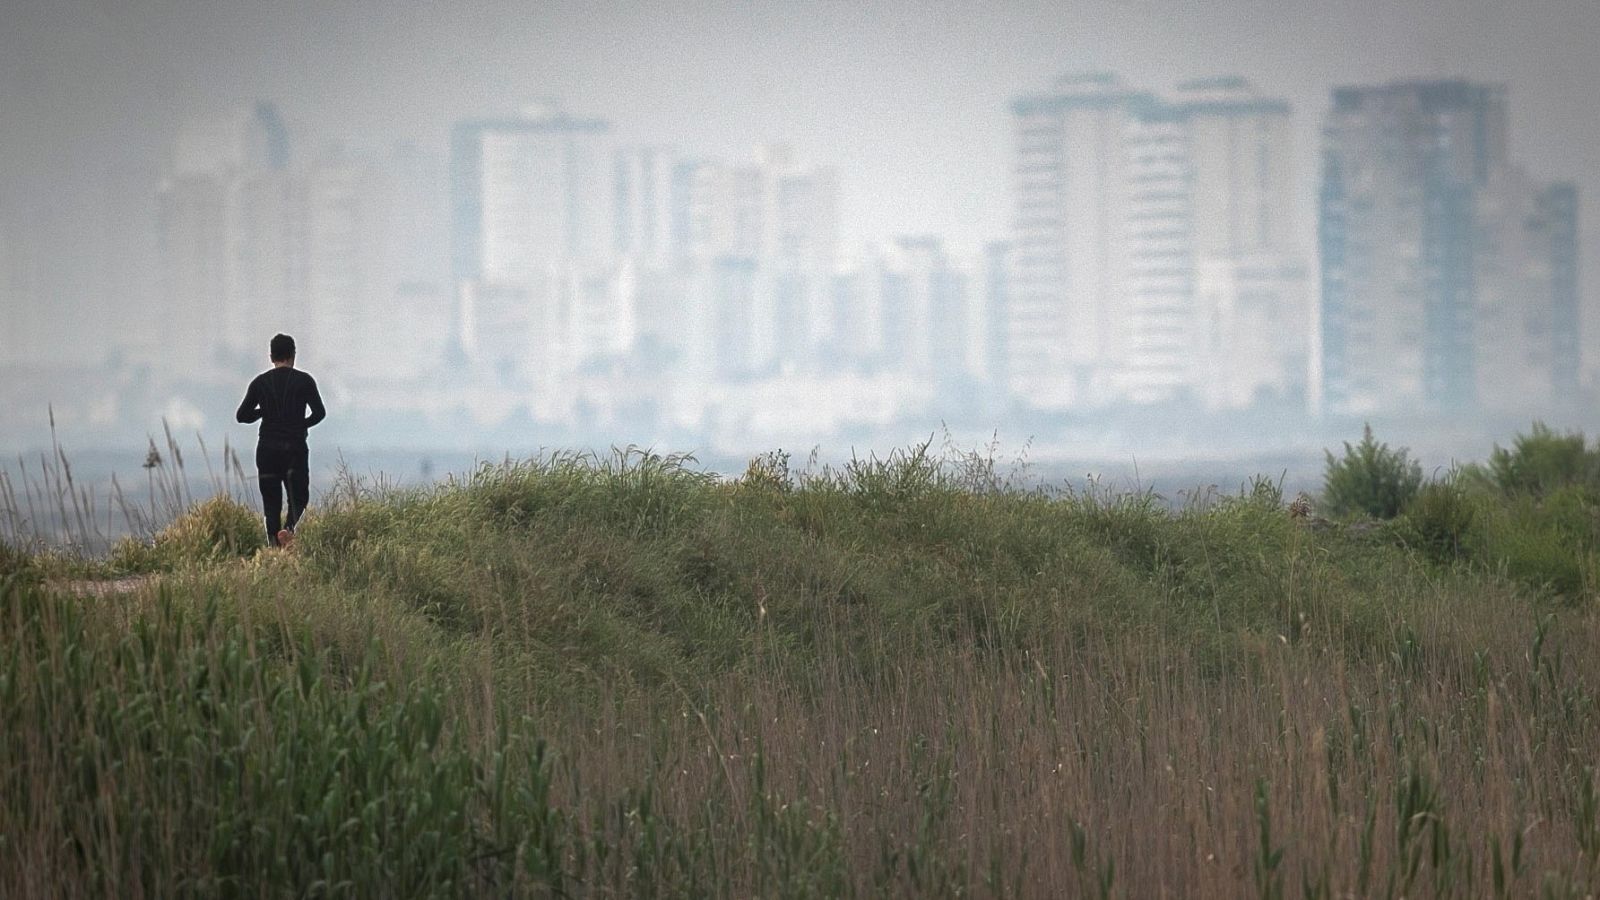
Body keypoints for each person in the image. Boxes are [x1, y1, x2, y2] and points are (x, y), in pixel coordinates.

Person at [236, 333, 326, 547]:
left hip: (267, 450)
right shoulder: (304, 381)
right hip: (294, 448)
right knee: (298, 497)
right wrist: (300, 424)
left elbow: (242, 416)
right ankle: (288, 530)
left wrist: (262, 412)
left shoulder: (260, 383)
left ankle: (273, 548)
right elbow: (319, 413)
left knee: (271, 502)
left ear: (271, 356)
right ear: (293, 355)